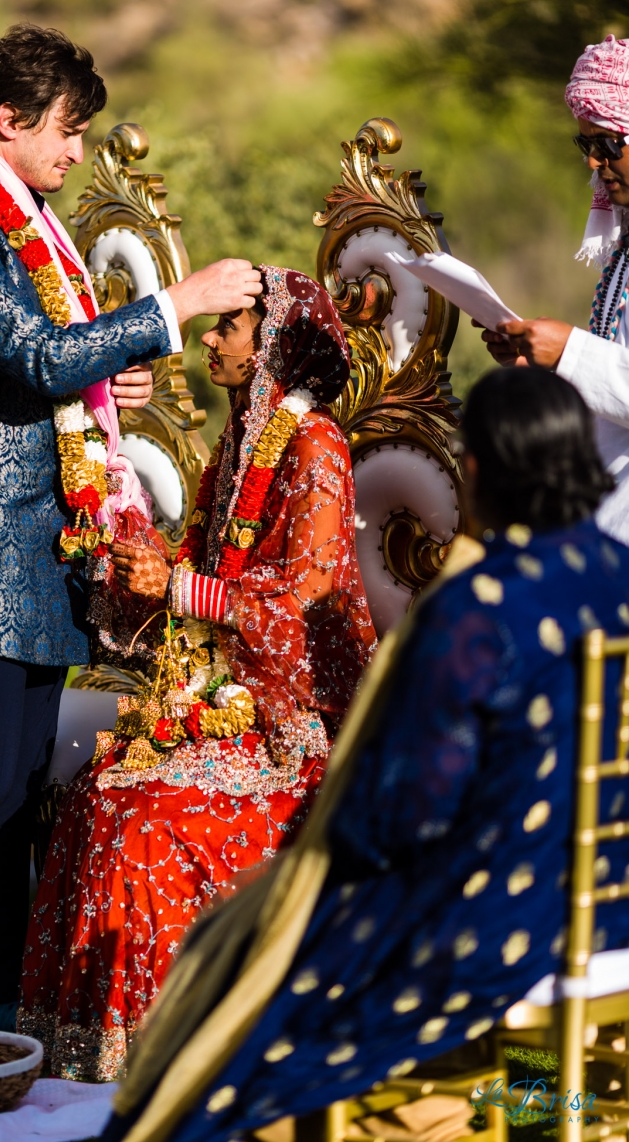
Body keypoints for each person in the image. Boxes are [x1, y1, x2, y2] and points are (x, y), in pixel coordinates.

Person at [0, 23, 262, 1034]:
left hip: (34, 540)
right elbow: (32, 358)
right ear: (9, 120)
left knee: (15, 785)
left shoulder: (22, 218)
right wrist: (177, 304)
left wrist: (106, 371)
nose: (76, 152)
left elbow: (45, 362)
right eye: (68, 132)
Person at [96, 366, 629, 1142]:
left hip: (483, 940)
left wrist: (294, 878)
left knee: (233, 954)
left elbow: (392, 822)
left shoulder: (476, 611)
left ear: (476, 471)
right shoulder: (616, 581)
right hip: (603, 919)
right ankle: (539, 1109)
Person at [17, 266, 378, 1081]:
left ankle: (162, 1057)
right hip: (224, 701)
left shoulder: (313, 443)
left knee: (145, 820)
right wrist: (146, 564)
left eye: (229, 327)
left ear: (273, 342)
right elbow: (204, 565)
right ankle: (80, 1060)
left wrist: (181, 587)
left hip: (295, 733)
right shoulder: (243, 437)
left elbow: (310, 609)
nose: (210, 338)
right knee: (99, 796)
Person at [481, 34, 629, 547]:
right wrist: (544, 367)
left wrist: (570, 351)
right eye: (585, 145)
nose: (594, 162)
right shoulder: (624, 247)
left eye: (607, 144)